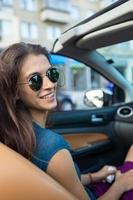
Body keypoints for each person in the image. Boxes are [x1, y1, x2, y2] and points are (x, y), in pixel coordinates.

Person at [0, 42, 133, 200]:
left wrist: (95, 176)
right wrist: (120, 185)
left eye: (52, 74)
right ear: (15, 92)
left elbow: (57, 182)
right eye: (35, 80)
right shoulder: (52, 147)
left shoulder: (15, 135)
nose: (50, 85)